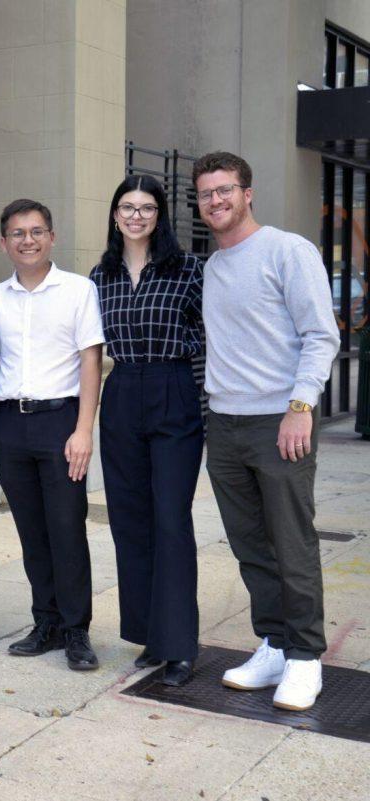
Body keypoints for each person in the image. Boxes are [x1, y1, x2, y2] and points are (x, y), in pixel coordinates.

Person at [193, 151, 339, 711]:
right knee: (251, 544)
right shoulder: (213, 266)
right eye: (206, 193)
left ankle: (306, 658)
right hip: (224, 423)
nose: (216, 201)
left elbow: (319, 334)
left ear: (247, 193)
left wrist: (301, 405)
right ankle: (275, 643)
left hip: (280, 421)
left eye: (225, 190)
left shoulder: (286, 250)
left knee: (292, 541)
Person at [89, 176, 205, 687]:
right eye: (127, 207)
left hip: (173, 388)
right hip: (123, 393)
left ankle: (180, 645)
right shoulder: (102, 275)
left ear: (160, 215)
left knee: (171, 520)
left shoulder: (190, 270)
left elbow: (208, 340)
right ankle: (149, 635)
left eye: (147, 208)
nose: (136, 216)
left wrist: (202, 406)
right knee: (130, 519)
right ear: (115, 214)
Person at [0, 198, 104, 671]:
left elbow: (91, 361)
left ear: (52, 237)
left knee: (66, 528)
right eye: (18, 233)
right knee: (31, 532)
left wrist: (83, 430)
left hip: (62, 423)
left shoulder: (78, 290)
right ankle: (47, 623)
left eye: (37, 231)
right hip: (11, 423)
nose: (28, 240)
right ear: (4, 243)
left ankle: (77, 630)